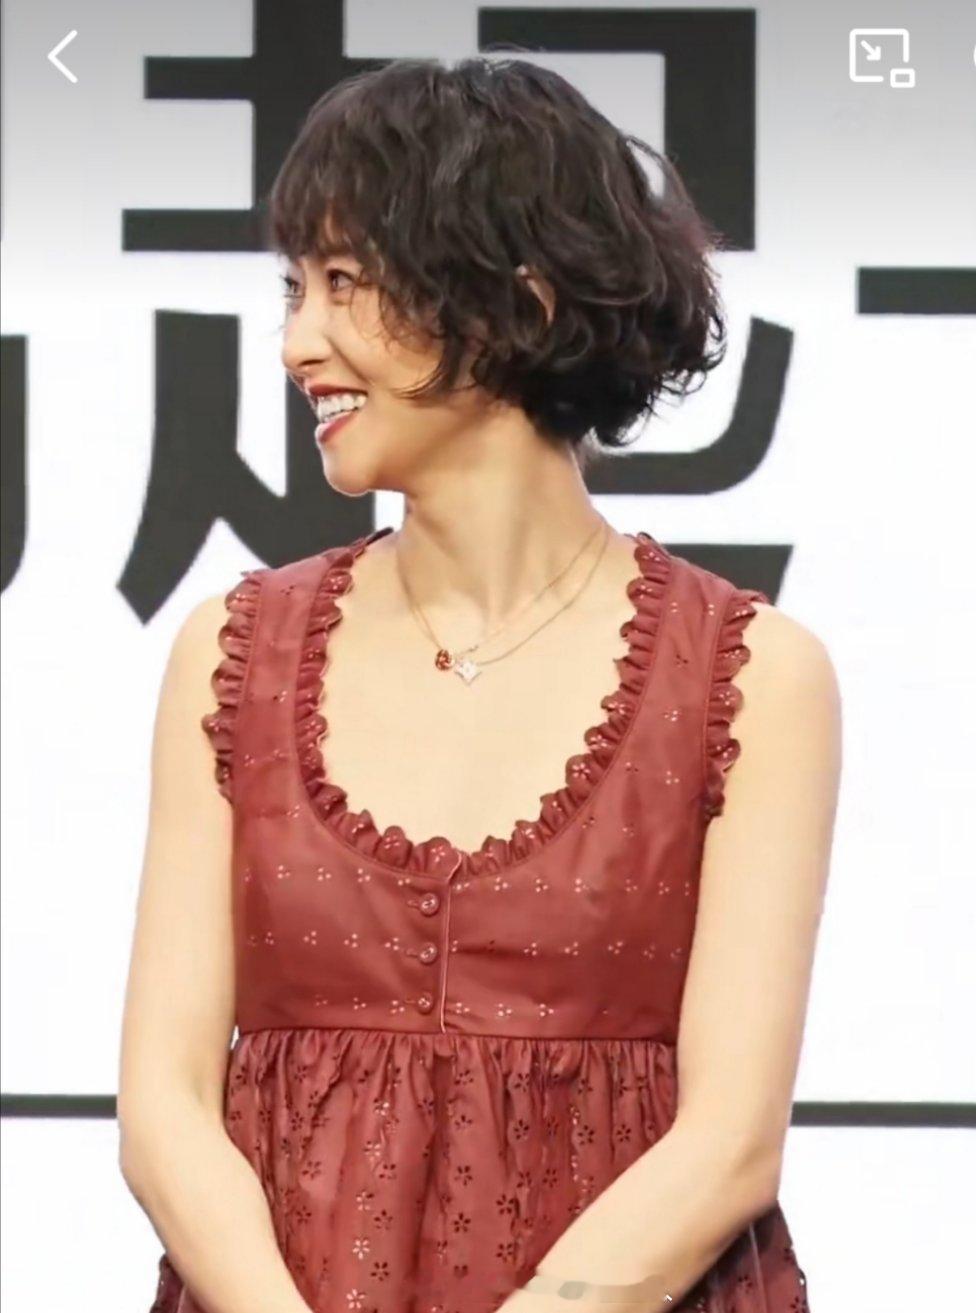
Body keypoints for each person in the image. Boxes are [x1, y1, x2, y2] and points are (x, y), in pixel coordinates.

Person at [117, 55, 838, 1313]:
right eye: (295, 290)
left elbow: (730, 1139)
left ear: (519, 298)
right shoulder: (232, 651)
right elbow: (164, 1104)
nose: (296, 343)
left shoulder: (752, 673)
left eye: (345, 283)